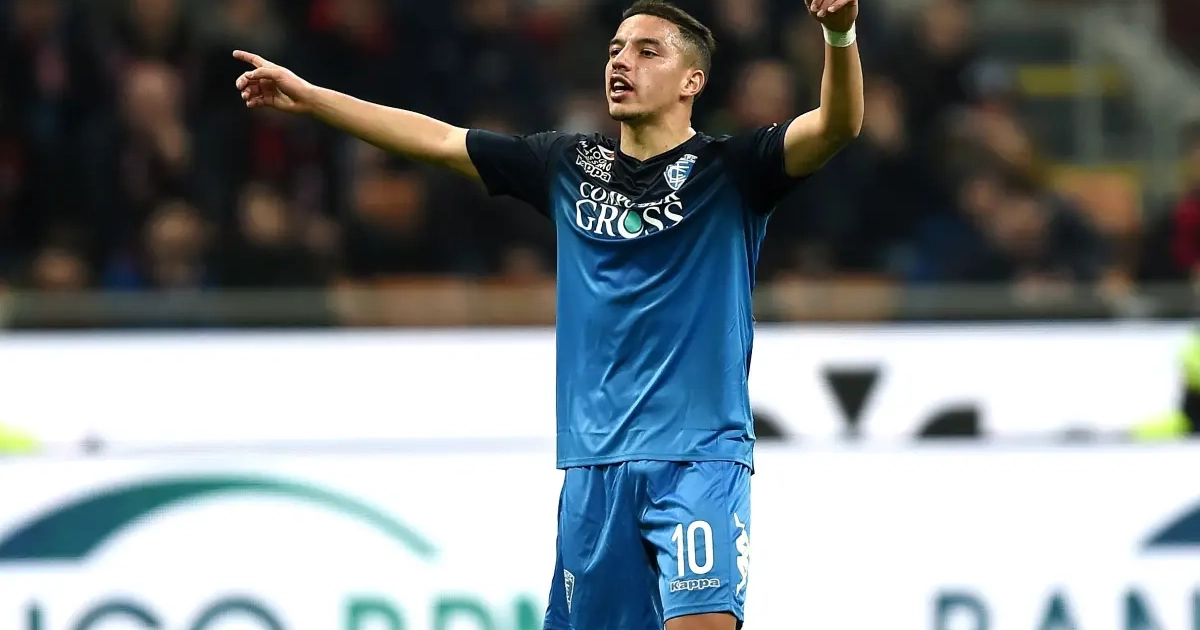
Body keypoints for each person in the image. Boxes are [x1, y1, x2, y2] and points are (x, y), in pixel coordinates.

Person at [233, 0, 863, 628]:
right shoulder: (567, 164)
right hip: (593, 464)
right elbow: (441, 140)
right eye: (616, 49)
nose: (622, 62)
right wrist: (313, 98)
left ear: (691, 82)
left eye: (648, 51)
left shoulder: (733, 170)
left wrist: (839, 35)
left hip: (697, 455)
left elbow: (836, 126)